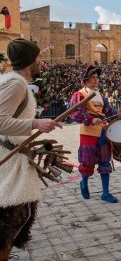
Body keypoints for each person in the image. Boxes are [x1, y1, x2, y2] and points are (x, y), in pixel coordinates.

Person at [0, 38, 62, 261]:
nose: (41, 61)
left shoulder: (16, 83)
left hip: (13, 159)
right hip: (9, 163)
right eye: (38, 57)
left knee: (16, 218)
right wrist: (35, 124)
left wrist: (38, 121)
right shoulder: (16, 84)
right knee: (9, 220)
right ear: (29, 61)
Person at [69, 65, 121, 203]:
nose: (96, 80)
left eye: (97, 78)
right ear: (86, 80)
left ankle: (105, 193)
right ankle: (84, 183)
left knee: (105, 161)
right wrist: (91, 119)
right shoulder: (80, 94)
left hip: (102, 131)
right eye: (93, 78)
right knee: (87, 162)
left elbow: (108, 111)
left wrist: (118, 115)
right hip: (88, 132)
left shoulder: (100, 96)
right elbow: (75, 113)